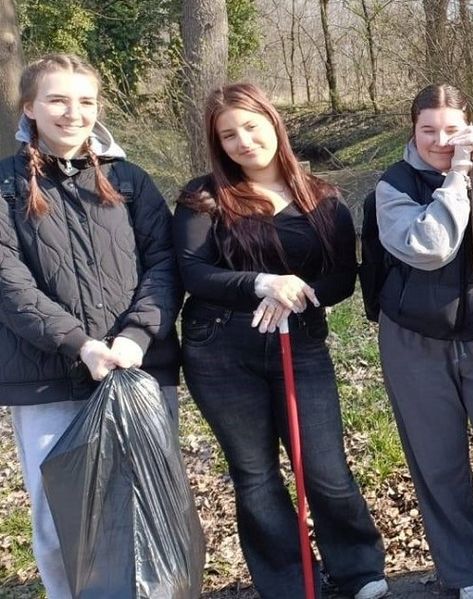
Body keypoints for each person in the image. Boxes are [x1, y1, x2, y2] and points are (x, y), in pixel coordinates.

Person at [173, 83, 387, 599]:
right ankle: (290, 581)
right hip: (220, 348)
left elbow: (342, 277)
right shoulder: (203, 198)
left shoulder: (324, 198)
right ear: (217, 144)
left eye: (251, 126)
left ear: (274, 122)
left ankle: (358, 569)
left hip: (301, 343)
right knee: (255, 474)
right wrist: (259, 284)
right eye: (229, 135)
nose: (244, 141)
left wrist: (298, 292)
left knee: (325, 468)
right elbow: (192, 272)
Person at [0, 53, 181, 599]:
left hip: (136, 369)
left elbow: (164, 265)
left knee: (142, 510)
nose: (71, 113)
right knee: (61, 524)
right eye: (56, 99)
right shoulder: (6, 186)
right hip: (48, 378)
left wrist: (134, 336)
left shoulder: (131, 180)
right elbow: (9, 284)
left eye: (84, 101)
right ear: (30, 107)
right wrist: (80, 345)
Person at [370, 84, 473, 599]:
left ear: (469, 127)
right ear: (413, 129)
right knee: (438, 461)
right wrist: (455, 179)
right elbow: (432, 246)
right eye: (428, 130)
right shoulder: (393, 186)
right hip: (414, 341)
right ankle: (467, 572)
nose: (441, 141)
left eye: (452, 130)